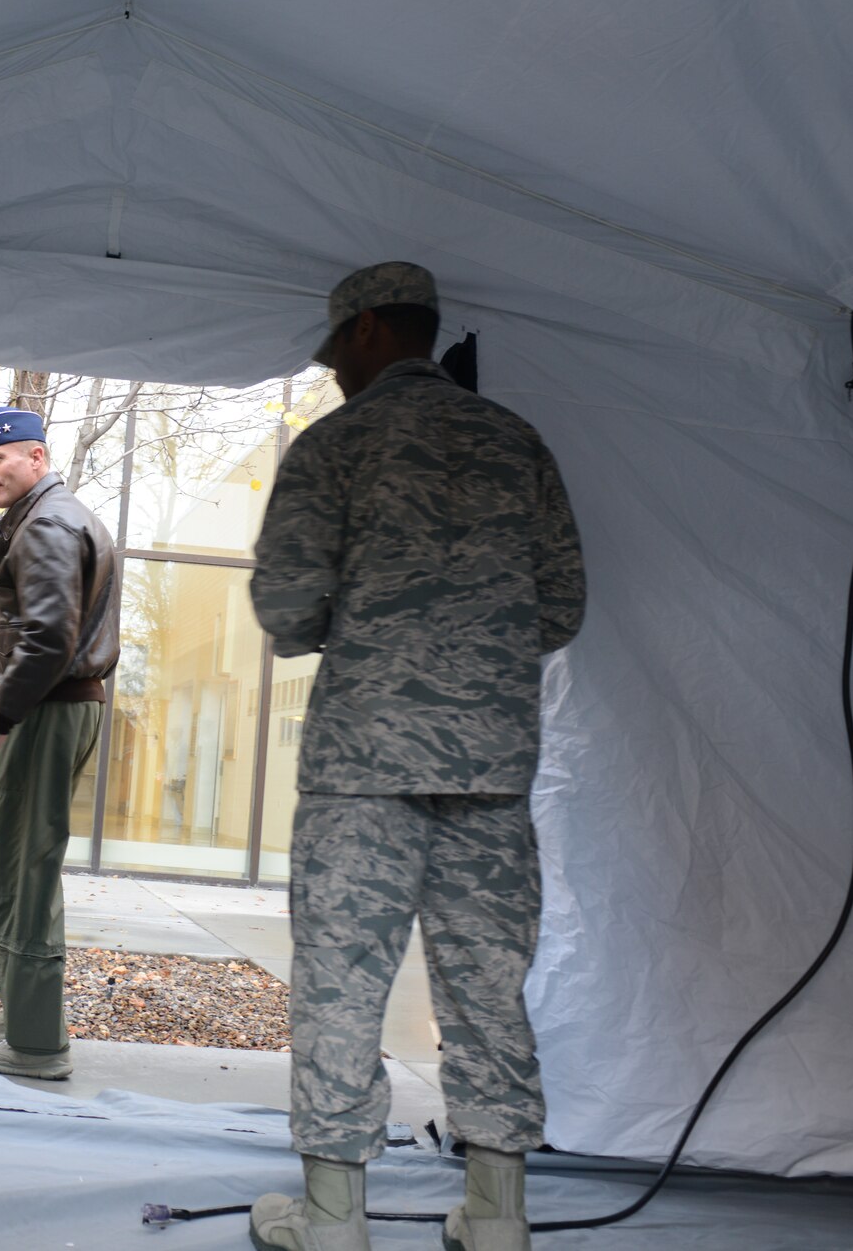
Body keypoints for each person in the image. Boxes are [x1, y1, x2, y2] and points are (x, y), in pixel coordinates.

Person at [247, 263, 585, 1251]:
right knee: (487, 988)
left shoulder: (336, 446)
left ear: (362, 337)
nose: (336, 373)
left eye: (336, 353)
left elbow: (284, 608)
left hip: (363, 766)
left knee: (341, 987)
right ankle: (495, 1216)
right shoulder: (517, 444)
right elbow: (560, 606)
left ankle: (332, 1216)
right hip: (489, 766)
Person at [0, 407, 119, 1081]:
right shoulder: (40, 519)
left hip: (46, 709)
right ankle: (20, 1008)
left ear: (37, 457)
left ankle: (36, 1041)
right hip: (45, 706)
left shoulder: (49, 522)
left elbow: (51, 638)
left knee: (24, 867)